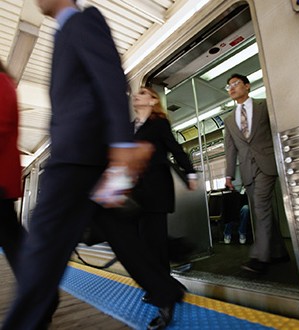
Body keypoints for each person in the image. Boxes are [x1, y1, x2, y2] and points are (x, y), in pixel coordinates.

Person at [1, 1, 183, 330]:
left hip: (77, 160)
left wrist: (120, 144)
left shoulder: (85, 20)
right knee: (120, 235)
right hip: (83, 160)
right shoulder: (62, 34)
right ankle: (165, 289)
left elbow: (110, 78)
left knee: (44, 245)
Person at [132, 87, 198, 301]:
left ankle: (162, 286)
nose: (136, 95)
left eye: (142, 93)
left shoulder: (159, 123)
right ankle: (178, 252)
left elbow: (175, 148)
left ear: (153, 100)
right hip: (136, 192)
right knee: (143, 239)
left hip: (157, 188)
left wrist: (190, 172)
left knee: (155, 239)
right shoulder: (130, 127)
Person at [224, 73, 288, 274]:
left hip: (267, 162)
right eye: (229, 86)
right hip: (247, 169)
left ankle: (259, 257)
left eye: (235, 84)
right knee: (261, 209)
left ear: (248, 86)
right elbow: (230, 148)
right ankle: (279, 252)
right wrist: (228, 175)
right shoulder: (228, 119)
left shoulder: (264, 106)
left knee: (260, 206)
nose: (232, 88)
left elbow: (277, 130)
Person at [0, 59, 25, 276]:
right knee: (12, 238)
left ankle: (40, 293)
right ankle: (41, 293)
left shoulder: (1, 83)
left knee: (13, 238)